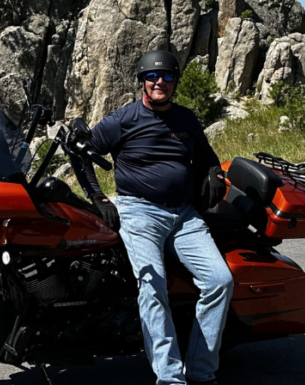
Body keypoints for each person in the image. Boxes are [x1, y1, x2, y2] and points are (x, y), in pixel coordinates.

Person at [79, 50, 233, 385]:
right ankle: (170, 377)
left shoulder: (187, 119)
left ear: (175, 82)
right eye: (152, 76)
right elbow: (83, 153)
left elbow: (207, 155)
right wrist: (97, 196)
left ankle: (202, 370)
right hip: (139, 210)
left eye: (166, 76)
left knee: (220, 281)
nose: (159, 81)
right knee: (153, 286)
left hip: (185, 215)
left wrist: (213, 174)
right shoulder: (123, 119)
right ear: (142, 82)